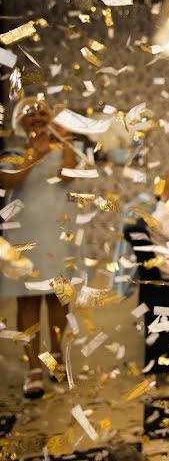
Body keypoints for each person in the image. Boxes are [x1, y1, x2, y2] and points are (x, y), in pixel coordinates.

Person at [0, 97, 79, 398]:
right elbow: (9, 180)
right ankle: (34, 368)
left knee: (59, 299)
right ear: (19, 122)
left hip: (58, 234)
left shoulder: (64, 150)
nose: (37, 115)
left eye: (42, 112)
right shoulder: (13, 153)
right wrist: (36, 153)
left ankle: (56, 357)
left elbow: (69, 175)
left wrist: (67, 140)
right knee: (27, 300)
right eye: (29, 112)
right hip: (25, 236)